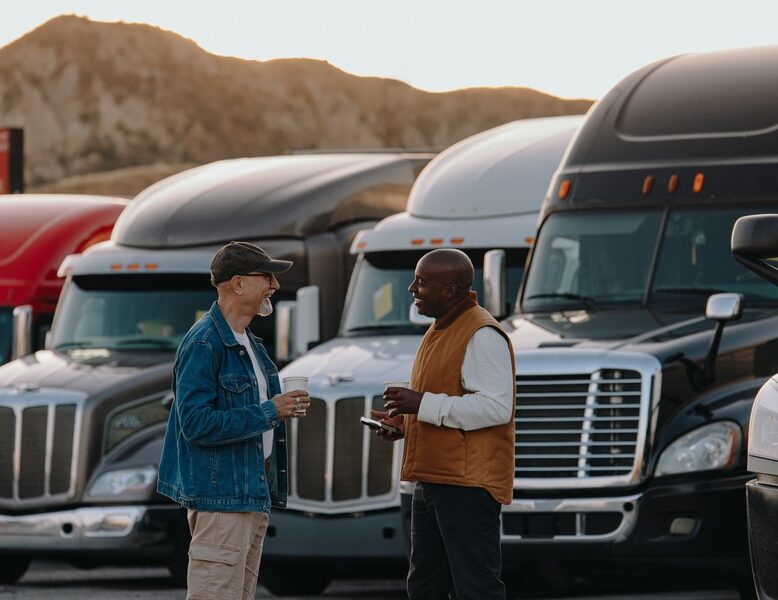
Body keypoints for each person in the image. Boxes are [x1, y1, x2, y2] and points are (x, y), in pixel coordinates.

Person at [157, 241, 311, 600]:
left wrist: (278, 408)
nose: (274, 285)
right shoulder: (204, 344)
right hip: (221, 502)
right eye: (267, 277)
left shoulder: (250, 342)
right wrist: (272, 410)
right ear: (238, 283)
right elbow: (195, 425)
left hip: (248, 499)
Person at [372, 248, 515, 600]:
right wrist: (404, 423)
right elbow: (449, 402)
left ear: (450, 290)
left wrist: (420, 403)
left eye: (421, 282)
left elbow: (497, 408)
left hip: (467, 487)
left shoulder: (482, 334)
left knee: (475, 588)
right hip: (434, 481)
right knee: (425, 587)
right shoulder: (440, 328)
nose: (411, 289)